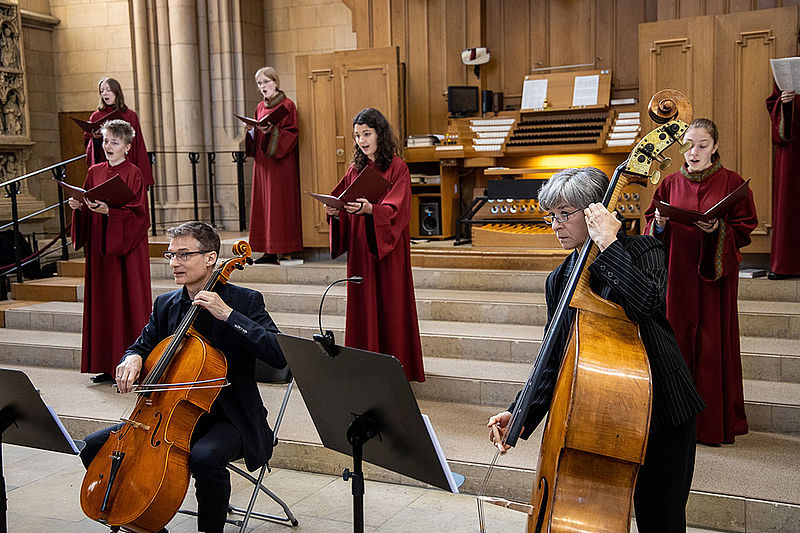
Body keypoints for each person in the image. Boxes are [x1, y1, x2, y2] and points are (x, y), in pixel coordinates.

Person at [488, 167, 705, 533]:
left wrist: (609, 244)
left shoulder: (643, 249)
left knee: (662, 518)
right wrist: (520, 412)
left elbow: (647, 304)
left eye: (564, 214)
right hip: (603, 416)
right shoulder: (559, 279)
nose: (555, 225)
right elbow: (554, 357)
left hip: (663, 409)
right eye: (551, 216)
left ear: (595, 211)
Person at [79, 221, 288, 533]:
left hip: (231, 417)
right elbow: (142, 344)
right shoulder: (167, 304)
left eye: (184, 255)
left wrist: (228, 315)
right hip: (167, 414)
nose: (175, 263)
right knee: (93, 447)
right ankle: (148, 526)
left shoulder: (245, 301)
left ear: (210, 257)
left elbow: (279, 354)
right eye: (171, 255)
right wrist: (132, 357)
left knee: (205, 457)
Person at [644, 118, 758, 445]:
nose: (694, 153)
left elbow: (744, 227)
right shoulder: (668, 184)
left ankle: (711, 426)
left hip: (713, 280)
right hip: (677, 278)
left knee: (711, 347)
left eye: (702, 146)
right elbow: (651, 227)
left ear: (715, 146)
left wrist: (718, 231)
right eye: (689, 145)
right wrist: (661, 223)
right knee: (676, 343)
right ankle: (675, 424)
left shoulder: (733, 183)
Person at [323, 107, 424, 382]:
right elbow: (340, 198)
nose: (362, 141)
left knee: (390, 305)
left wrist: (372, 210)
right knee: (363, 303)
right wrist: (334, 211)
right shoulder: (355, 168)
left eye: (367, 134)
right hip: (360, 250)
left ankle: (395, 368)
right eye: (357, 135)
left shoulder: (398, 167)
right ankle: (364, 367)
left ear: (380, 134)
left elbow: (397, 209)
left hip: (387, 252)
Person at [69, 119, 151, 384]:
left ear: (127, 146)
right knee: (103, 303)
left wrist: (111, 212)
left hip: (125, 252)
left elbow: (140, 215)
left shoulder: (134, 173)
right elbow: (88, 199)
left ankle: (130, 365)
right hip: (100, 251)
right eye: (105, 141)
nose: (108, 146)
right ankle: (105, 364)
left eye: (114, 142)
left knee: (127, 302)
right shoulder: (94, 171)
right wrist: (78, 207)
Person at [245, 66, 303, 264]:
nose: (263, 86)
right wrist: (251, 130)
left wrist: (272, 131)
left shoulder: (288, 105)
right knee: (264, 204)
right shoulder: (260, 107)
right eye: (259, 83)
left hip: (281, 163)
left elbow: (292, 133)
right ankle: (268, 251)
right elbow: (256, 135)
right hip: (263, 164)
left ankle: (285, 250)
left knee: (280, 205)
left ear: (276, 82)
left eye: (266, 82)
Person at [85, 77, 154, 187]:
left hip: (126, 164)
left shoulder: (130, 115)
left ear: (116, 91)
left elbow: (138, 144)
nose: (105, 93)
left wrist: (143, 175)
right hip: (104, 165)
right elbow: (88, 144)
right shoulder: (96, 116)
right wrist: (96, 138)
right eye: (102, 91)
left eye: (108, 90)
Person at [766, 86, 799, 279]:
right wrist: (785, 103)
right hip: (793, 146)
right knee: (789, 202)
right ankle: (787, 264)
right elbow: (773, 102)